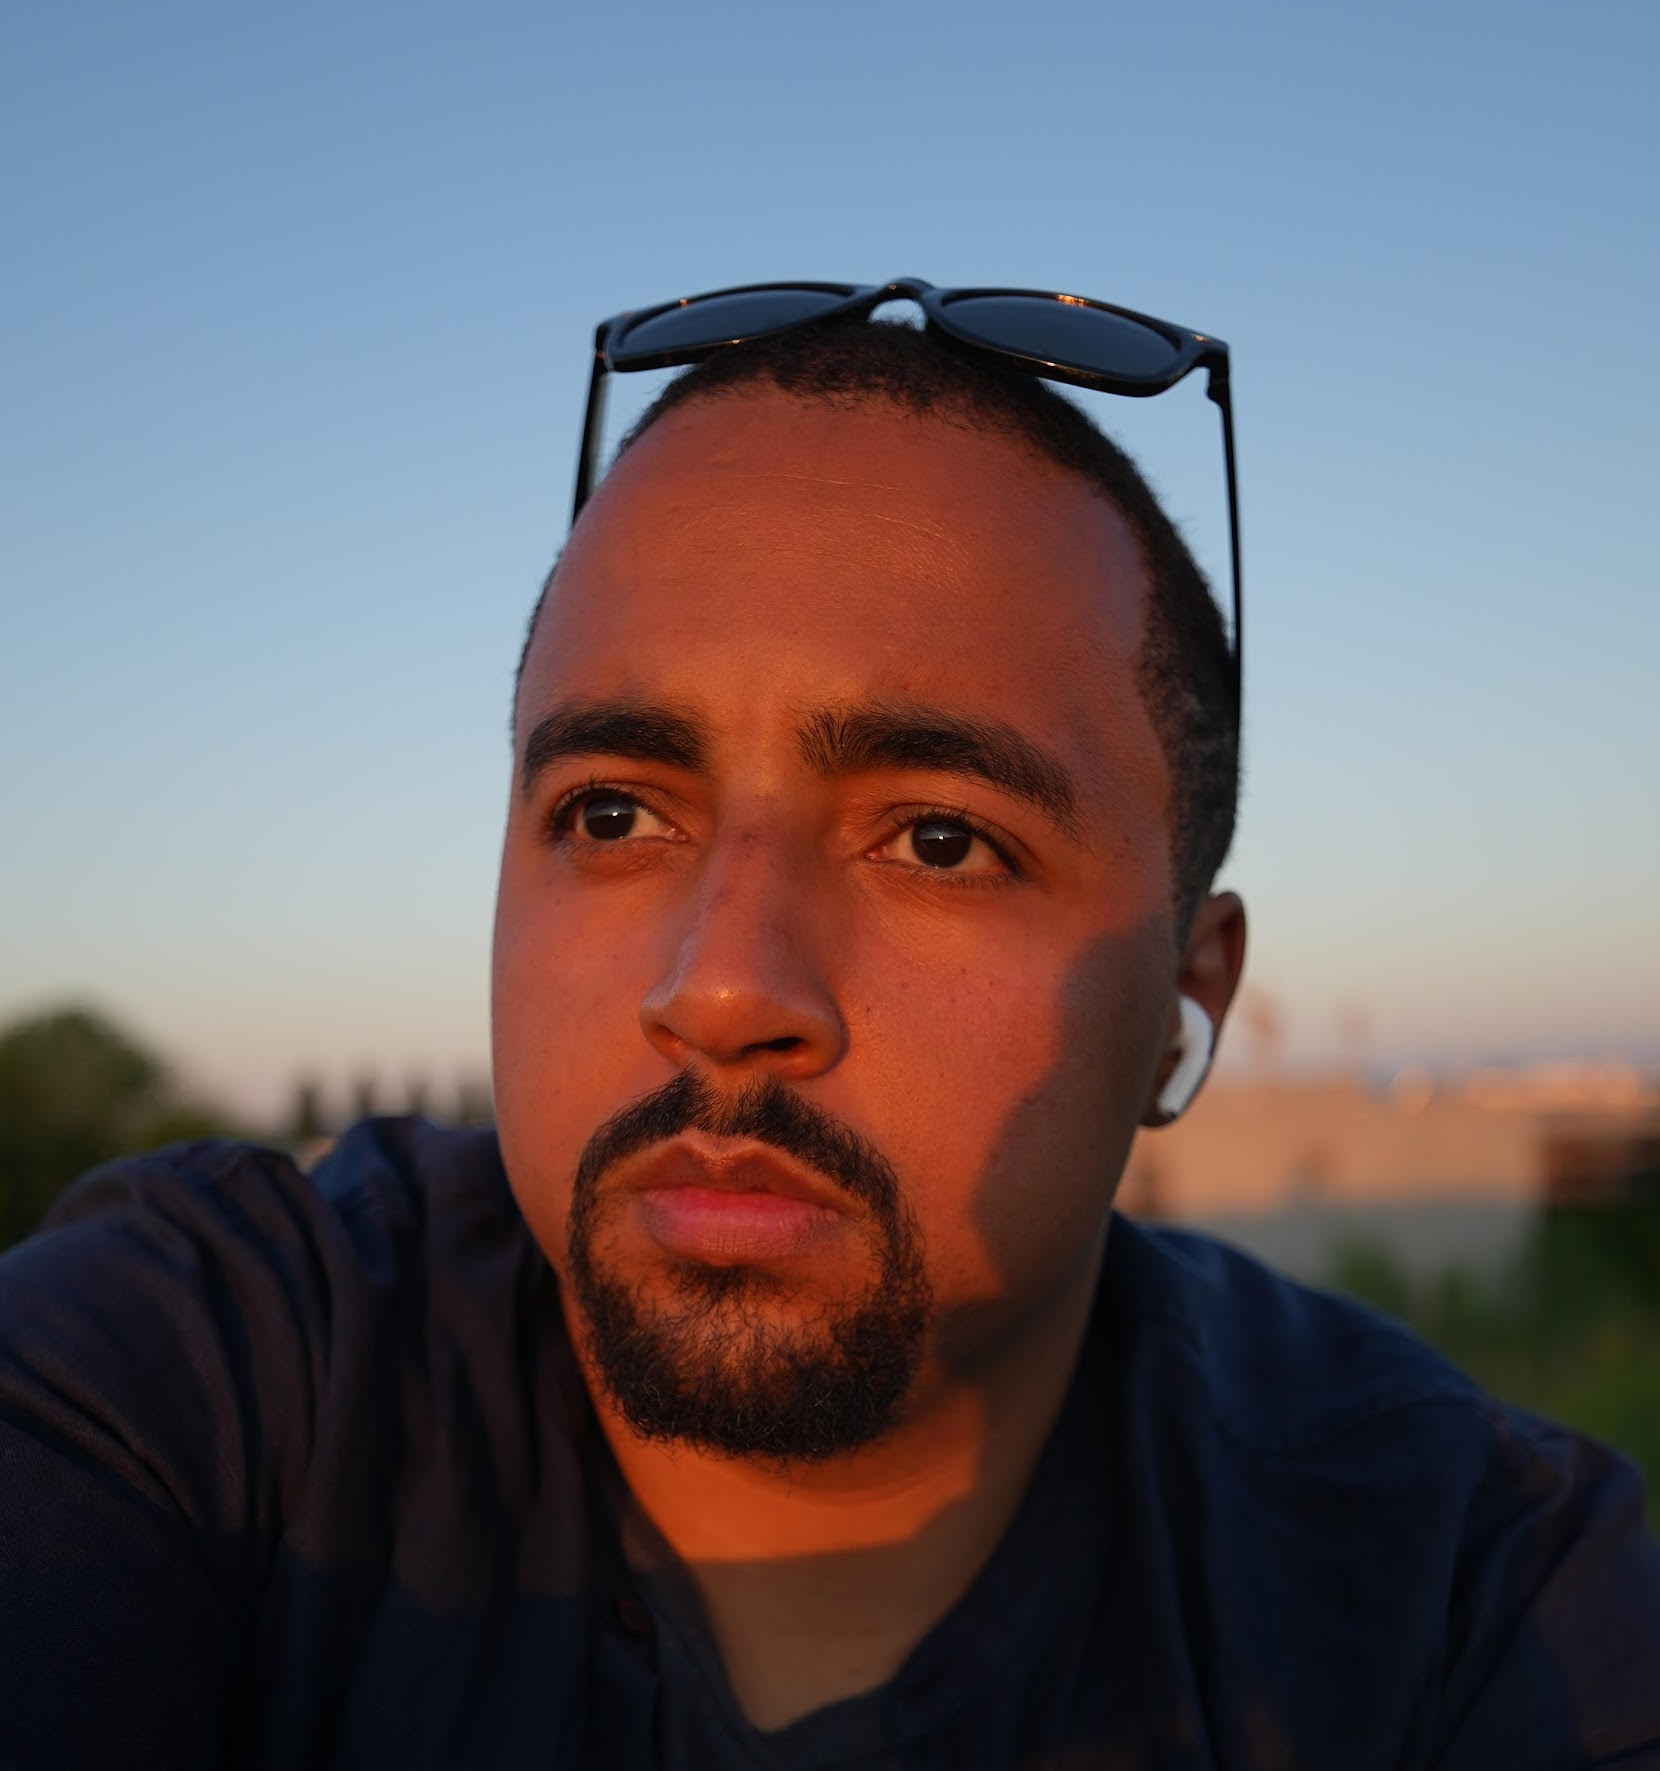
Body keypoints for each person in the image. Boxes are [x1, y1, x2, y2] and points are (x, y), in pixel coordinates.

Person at [1, 283, 1656, 1770]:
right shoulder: (196, 1381)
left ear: (1185, 1001)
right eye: (612, 815)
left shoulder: (1470, 1604)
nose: (722, 989)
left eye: (939, 840)